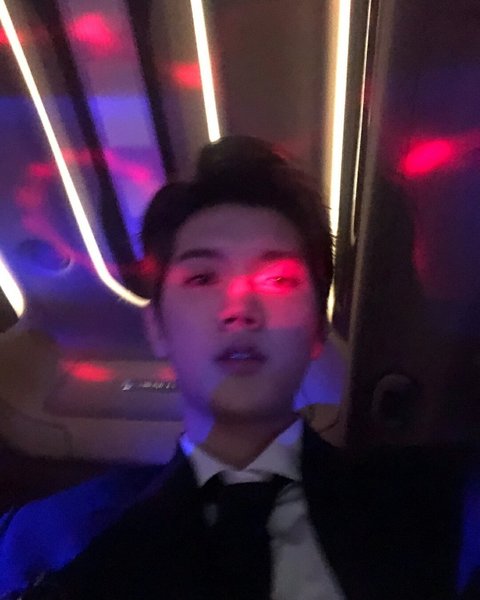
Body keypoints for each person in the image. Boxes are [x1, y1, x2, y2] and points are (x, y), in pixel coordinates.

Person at [16, 136, 470, 599]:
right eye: (202, 277)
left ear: (317, 328)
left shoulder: (441, 503)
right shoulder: (54, 542)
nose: (240, 308)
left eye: (278, 279)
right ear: (156, 327)